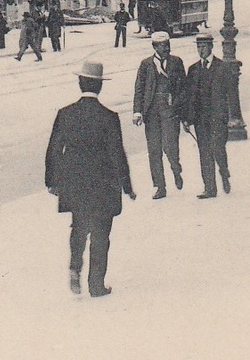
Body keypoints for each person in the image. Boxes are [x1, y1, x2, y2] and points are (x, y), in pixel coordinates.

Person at [44, 59, 135, 297]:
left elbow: (54, 149)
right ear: (99, 87)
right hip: (103, 184)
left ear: (79, 83)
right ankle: (96, 284)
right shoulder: (109, 117)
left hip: (75, 183)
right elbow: (117, 154)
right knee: (101, 233)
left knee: (79, 225)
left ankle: (75, 267)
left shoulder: (66, 114)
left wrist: (52, 181)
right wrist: (127, 185)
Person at [132, 31, 187, 198]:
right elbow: (139, 89)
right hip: (151, 113)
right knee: (154, 151)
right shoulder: (146, 64)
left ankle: (176, 170)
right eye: (163, 46)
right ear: (155, 47)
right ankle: (160, 187)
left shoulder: (176, 62)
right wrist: (137, 111)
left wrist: (177, 104)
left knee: (170, 148)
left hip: (170, 111)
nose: (167, 48)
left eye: (168, 45)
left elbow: (183, 88)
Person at [182, 28, 233, 198]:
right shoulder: (193, 69)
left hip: (218, 119)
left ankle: (224, 173)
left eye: (204, 47)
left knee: (218, 149)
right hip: (201, 120)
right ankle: (210, 188)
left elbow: (230, 94)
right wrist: (187, 120)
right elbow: (189, 97)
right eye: (198, 47)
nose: (201, 50)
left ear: (211, 47)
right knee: (204, 152)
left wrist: (230, 117)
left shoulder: (222, 67)